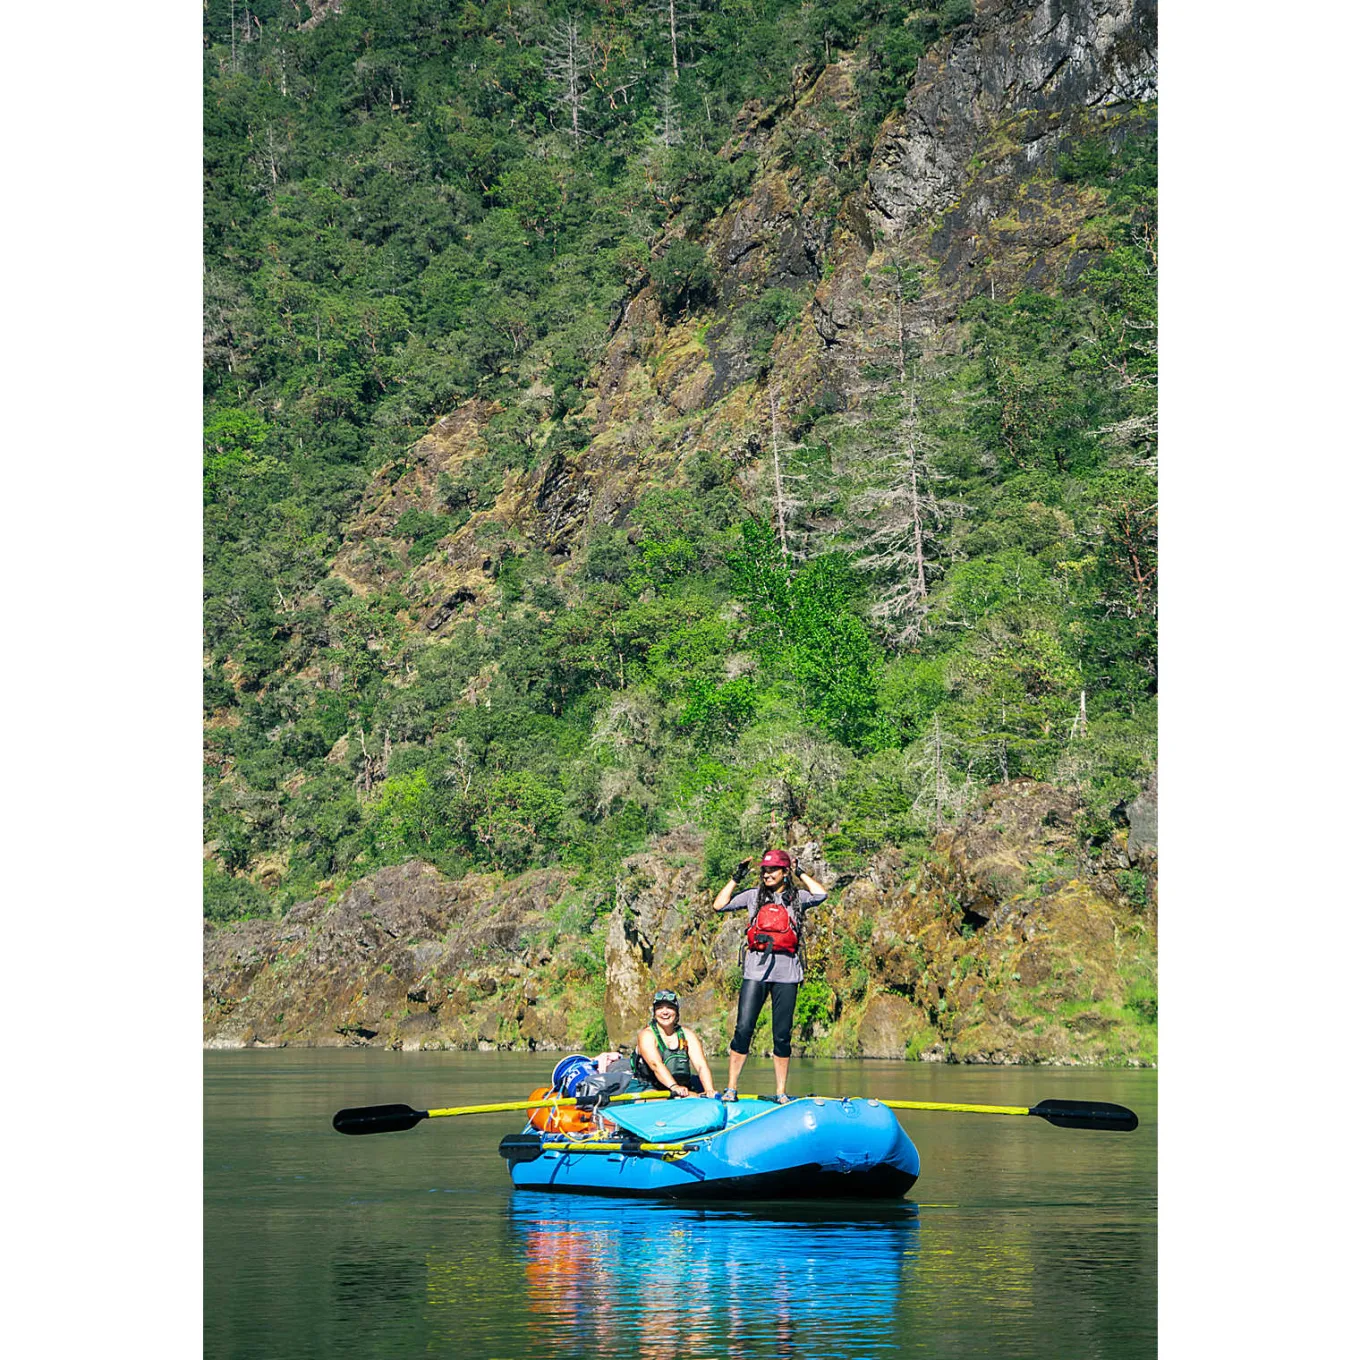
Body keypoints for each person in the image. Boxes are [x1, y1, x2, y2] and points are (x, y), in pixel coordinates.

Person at [712, 848, 827, 1104]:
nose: (767, 874)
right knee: (743, 1029)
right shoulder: (753, 896)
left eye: (773, 870)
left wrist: (800, 872)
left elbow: (821, 894)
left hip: (787, 974)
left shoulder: (797, 898)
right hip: (756, 971)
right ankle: (731, 1088)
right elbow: (718, 905)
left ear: (784, 872)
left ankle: (781, 1092)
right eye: (765, 870)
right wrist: (736, 877)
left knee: (782, 1035)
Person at [633, 989, 717, 1098]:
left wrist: (709, 1090)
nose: (665, 1012)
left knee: (696, 1095)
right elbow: (655, 1065)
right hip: (648, 1087)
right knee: (663, 1099)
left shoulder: (688, 1035)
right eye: (659, 1008)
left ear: (676, 1012)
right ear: (654, 1013)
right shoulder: (647, 1035)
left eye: (670, 1007)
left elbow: (701, 1065)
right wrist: (674, 1087)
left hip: (682, 1088)